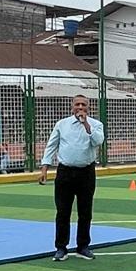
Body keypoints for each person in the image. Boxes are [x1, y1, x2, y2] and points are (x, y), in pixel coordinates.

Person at [39, 94, 105, 261]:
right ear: (72, 106)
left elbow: (98, 141)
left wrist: (87, 125)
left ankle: (83, 247)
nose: (80, 107)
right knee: (63, 211)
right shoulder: (62, 124)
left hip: (86, 172)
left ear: (88, 107)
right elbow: (51, 145)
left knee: (85, 212)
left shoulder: (96, 124)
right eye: (77, 104)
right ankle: (61, 248)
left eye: (83, 105)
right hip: (65, 173)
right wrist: (45, 168)